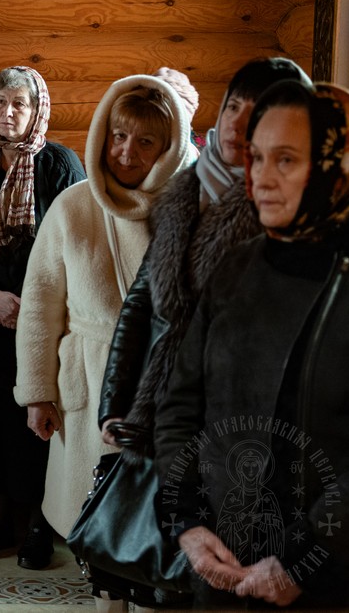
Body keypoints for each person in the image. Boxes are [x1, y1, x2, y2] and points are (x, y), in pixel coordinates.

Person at [154, 81, 349, 608]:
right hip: (223, 564)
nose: (262, 177)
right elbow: (180, 406)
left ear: (338, 166)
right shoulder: (237, 265)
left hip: (334, 579)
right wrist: (188, 523)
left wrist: (306, 560)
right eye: (258, 157)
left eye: (285, 160)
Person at [12, 74, 194, 568]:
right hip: (88, 382)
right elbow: (40, 304)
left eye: (145, 142)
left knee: (157, 528)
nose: (126, 152)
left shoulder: (192, 209)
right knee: (92, 520)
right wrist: (37, 392)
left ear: (169, 148)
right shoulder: (73, 206)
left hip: (165, 387)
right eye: (118, 135)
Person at [99, 59, 310, 452]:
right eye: (233, 106)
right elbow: (141, 305)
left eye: (256, 112)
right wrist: (113, 406)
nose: (236, 124)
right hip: (153, 414)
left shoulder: (288, 211)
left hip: (234, 432)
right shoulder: (182, 192)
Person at [0, 66, 85, 568]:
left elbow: (74, 241)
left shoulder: (59, 164)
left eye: (19, 104)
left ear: (37, 109)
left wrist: (30, 302)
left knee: (37, 420)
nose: (9, 113)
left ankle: (39, 528)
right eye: (1, 103)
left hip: (44, 321)